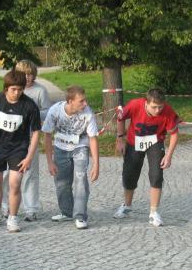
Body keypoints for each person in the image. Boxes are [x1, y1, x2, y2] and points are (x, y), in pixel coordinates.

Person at [0, 68, 41, 233]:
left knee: (15, 184)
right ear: (6, 88)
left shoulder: (29, 105)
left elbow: (36, 132)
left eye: (20, 89)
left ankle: (13, 217)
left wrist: (29, 157)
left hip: (18, 148)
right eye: (13, 89)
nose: (17, 93)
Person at [113, 88, 180, 227]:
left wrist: (169, 156)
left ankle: (154, 212)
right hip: (134, 141)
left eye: (160, 107)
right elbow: (120, 118)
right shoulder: (135, 105)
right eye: (154, 107)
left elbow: (174, 134)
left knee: (156, 175)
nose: (158, 110)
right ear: (146, 103)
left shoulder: (167, 111)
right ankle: (127, 205)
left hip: (155, 142)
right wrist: (120, 139)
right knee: (129, 174)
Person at [42, 85, 100, 229]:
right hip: (60, 148)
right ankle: (67, 212)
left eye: (85, 100)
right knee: (62, 182)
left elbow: (93, 138)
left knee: (80, 180)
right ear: (70, 101)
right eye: (81, 101)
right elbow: (47, 135)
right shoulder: (55, 111)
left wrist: (96, 164)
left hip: (80, 147)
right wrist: (49, 162)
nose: (85, 103)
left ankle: (80, 216)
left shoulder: (88, 113)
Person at [1, 59, 50, 221]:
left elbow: (47, 111)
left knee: (30, 173)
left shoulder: (40, 91)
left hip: (29, 137)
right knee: (7, 174)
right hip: (10, 138)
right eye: (24, 74)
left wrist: (32, 114)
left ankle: (31, 208)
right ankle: (6, 206)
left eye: (30, 74)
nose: (27, 77)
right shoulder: (12, 90)